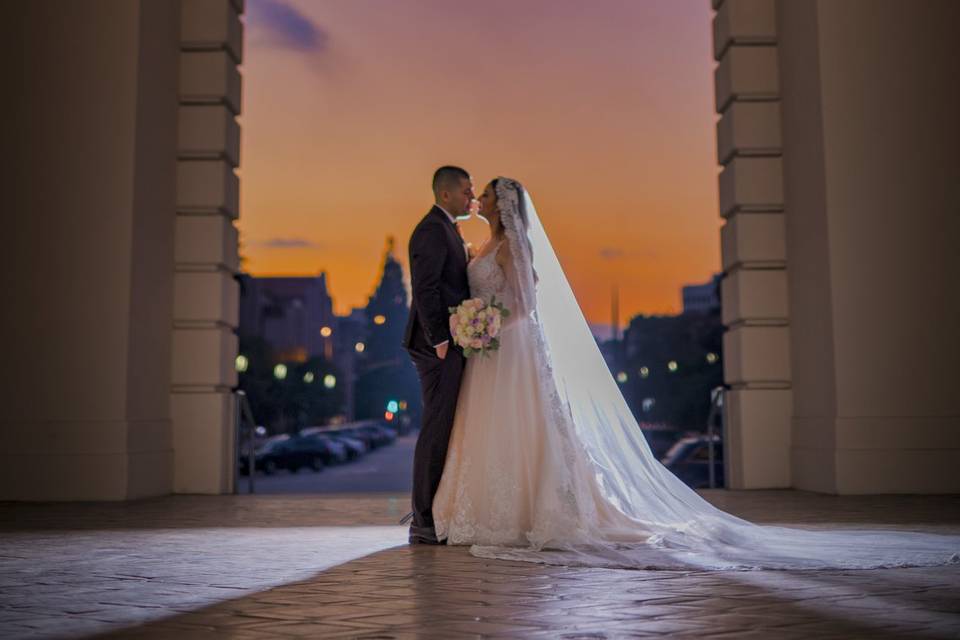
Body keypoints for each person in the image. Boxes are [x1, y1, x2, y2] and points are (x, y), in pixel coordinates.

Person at [430, 176, 959, 570]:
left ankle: (531, 511)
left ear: (504, 207)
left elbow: (523, 305)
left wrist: (487, 324)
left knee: (527, 427)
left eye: (489, 197)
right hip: (490, 355)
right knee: (487, 429)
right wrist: (477, 325)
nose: (481, 203)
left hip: (511, 347)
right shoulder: (482, 246)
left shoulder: (514, 249)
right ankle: (481, 508)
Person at [401, 166, 474, 545]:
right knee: (436, 425)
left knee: (444, 424)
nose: (471, 196)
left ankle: (431, 512)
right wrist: (441, 339)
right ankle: (423, 519)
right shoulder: (431, 229)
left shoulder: (448, 227)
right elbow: (425, 288)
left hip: (451, 341)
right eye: (466, 190)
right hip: (437, 345)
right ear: (445, 194)